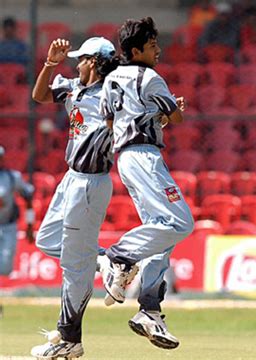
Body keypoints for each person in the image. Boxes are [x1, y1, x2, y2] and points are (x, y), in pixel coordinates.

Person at [98, 17, 194, 350]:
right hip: (145, 156)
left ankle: (149, 308)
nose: (159, 50)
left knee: (160, 233)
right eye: (153, 45)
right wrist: (170, 111)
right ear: (136, 49)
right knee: (181, 223)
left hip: (125, 157)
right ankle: (119, 256)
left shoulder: (110, 79)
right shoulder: (151, 77)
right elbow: (177, 117)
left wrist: (154, 116)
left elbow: (110, 120)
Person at [30, 36, 119, 359]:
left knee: (74, 268)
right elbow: (39, 95)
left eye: (82, 59)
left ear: (94, 62)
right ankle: (106, 260)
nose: (77, 63)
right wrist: (50, 63)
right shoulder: (71, 86)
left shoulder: (113, 92)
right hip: (71, 178)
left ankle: (69, 338)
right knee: (46, 240)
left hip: (91, 181)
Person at [0, 145, 34, 275]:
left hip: (8, 226)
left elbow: (28, 197)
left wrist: (30, 225)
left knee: (5, 266)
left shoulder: (12, 177)